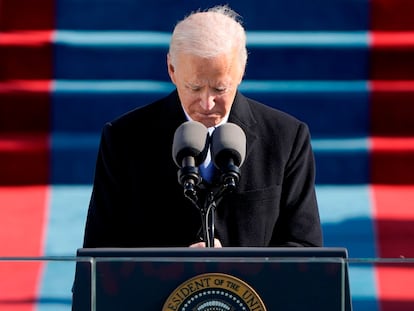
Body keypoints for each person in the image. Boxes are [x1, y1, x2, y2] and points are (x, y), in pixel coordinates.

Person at [81, 4, 323, 249]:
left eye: (220, 89)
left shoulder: (286, 138)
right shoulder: (124, 140)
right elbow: (99, 253)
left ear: (241, 71)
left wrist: (236, 268)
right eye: (194, 88)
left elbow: (305, 249)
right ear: (172, 70)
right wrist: (175, 267)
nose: (207, 104)